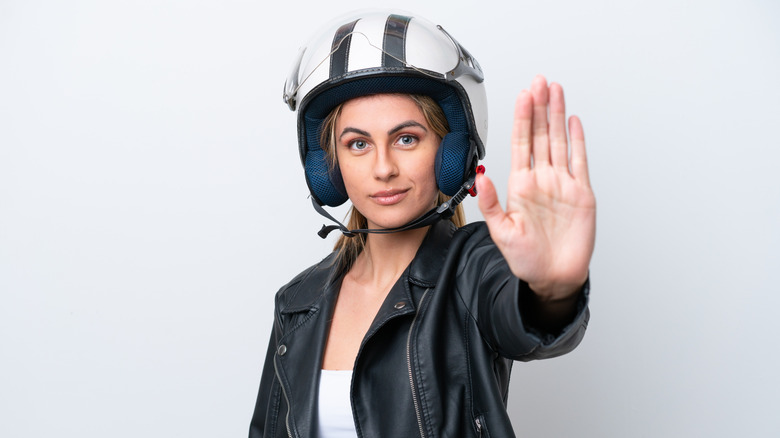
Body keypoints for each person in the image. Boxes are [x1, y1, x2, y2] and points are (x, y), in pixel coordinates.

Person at [249, 9, 596, 438]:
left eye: (406, 138)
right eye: (357, 144)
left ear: (452, 152)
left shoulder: (474, 269)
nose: (383, 168)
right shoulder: (297, 302)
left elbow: (530, 325)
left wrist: (552, 289)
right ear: (329, 167)